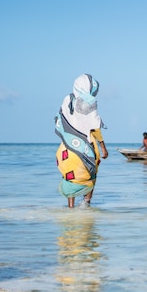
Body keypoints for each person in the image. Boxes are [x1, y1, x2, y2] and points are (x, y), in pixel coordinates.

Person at [55, 74, 109, 208]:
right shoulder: (89, 103)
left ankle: (71, 208)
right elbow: (95, 127)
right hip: (85, 148)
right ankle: (86, 203)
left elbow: (61, 120)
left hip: (66, 148)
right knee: (91, 173)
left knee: (70, 176)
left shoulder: (67, 99)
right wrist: (103, 147)